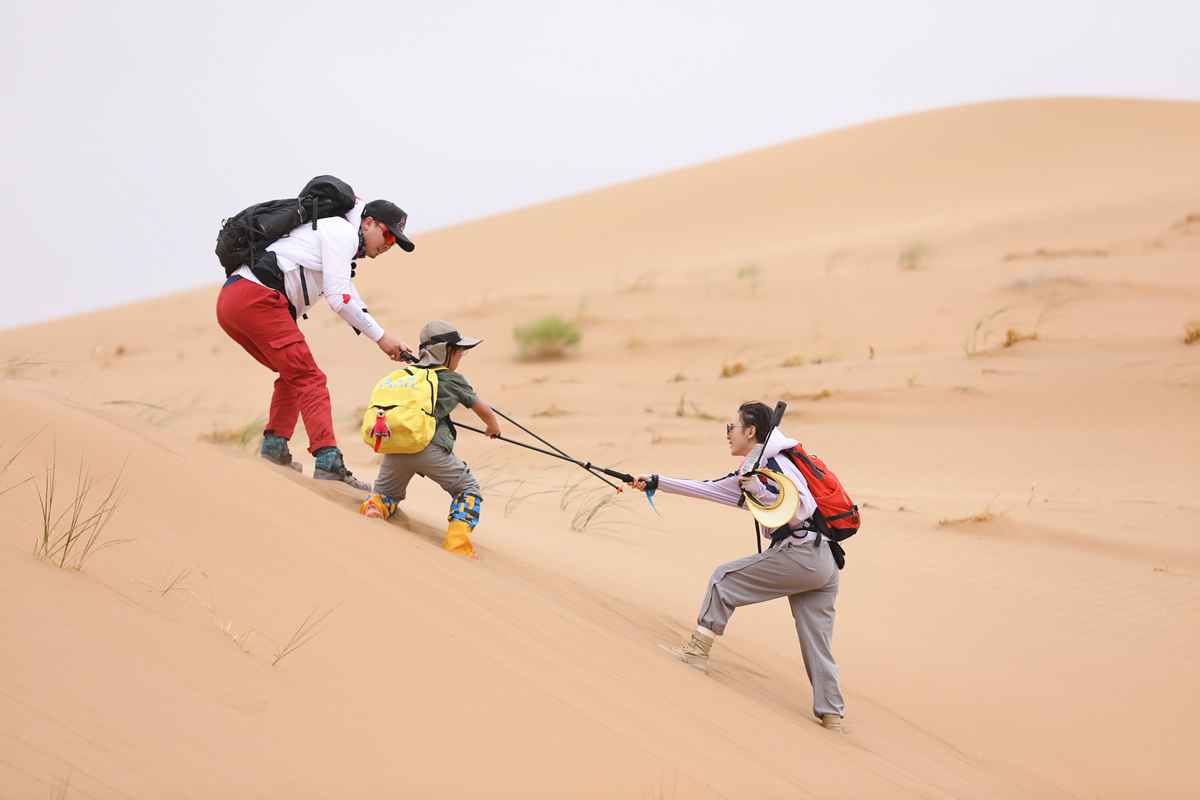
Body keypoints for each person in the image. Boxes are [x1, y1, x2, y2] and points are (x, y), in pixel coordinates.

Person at [631, 401, 846, 731]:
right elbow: (708, 489)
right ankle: (832, 714)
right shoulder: (754, 468)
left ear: (750, 431)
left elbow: (797, 506)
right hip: (823, 563)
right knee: (817, 641)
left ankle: (696, 654)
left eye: (731, 428)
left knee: (724, 579)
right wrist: (657, 482)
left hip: (802, 554)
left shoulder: (774, 464)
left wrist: (760, 489)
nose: (728, 434)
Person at [215, 196, 416, 489]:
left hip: (234, 300)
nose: (388, 244)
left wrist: (384, 338)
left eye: (395, 242)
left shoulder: (337, 241)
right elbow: (338, 298)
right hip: (257, 298)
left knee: (294, 375)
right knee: (310, 378)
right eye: (387, 234)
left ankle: (275, 448)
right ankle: (328, 461)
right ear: (368, 222)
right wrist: (381, 338)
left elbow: (349, 295)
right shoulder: (341, 231)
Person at [358, 320, 501, 559]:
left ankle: (375, 508)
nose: (461, 357)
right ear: (446, 352)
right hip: (429, 449)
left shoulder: (407, 375)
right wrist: (492, 427)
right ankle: (457, 545)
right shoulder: (452, 379)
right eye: (459, 352)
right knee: (468, 490)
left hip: (395, 448)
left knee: (385, 495)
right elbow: (483, 409)